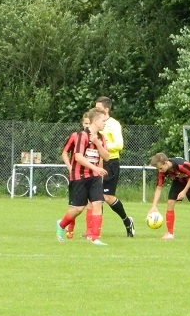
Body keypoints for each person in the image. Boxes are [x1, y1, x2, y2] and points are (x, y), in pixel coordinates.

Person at [55, 108, 109, 245]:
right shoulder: (82, 136)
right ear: (95, 121)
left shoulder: (101, 138)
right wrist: (96, 168)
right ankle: (61, 225)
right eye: (103, 121)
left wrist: (98, 144)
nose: (105, 123)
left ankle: (95, 238)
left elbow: (106, 156)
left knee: (97, 204)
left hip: (95, 177)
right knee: (78, 209)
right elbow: (78, 157)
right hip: (79, 176)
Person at [94, 96, 135, 237]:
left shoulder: (113, 124)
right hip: (97, 163)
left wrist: (101, 147)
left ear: (106, 109)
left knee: (107, 197)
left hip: (110, 163)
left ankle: (127, 221)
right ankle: (95, 232)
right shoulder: (96, 123)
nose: (96, 110)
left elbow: (119, 144)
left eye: (99, 108)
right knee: (95, 198)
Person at [148, 152, 190, 240]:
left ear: (166, 163)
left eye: (160, 168)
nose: (160, 171)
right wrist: (154, 206)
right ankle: (170, 233)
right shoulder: (161, 172)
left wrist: (184, 191)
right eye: (158, 169)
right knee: (170, 203)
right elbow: (158, 188)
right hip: (178, 181)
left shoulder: (181, 164)